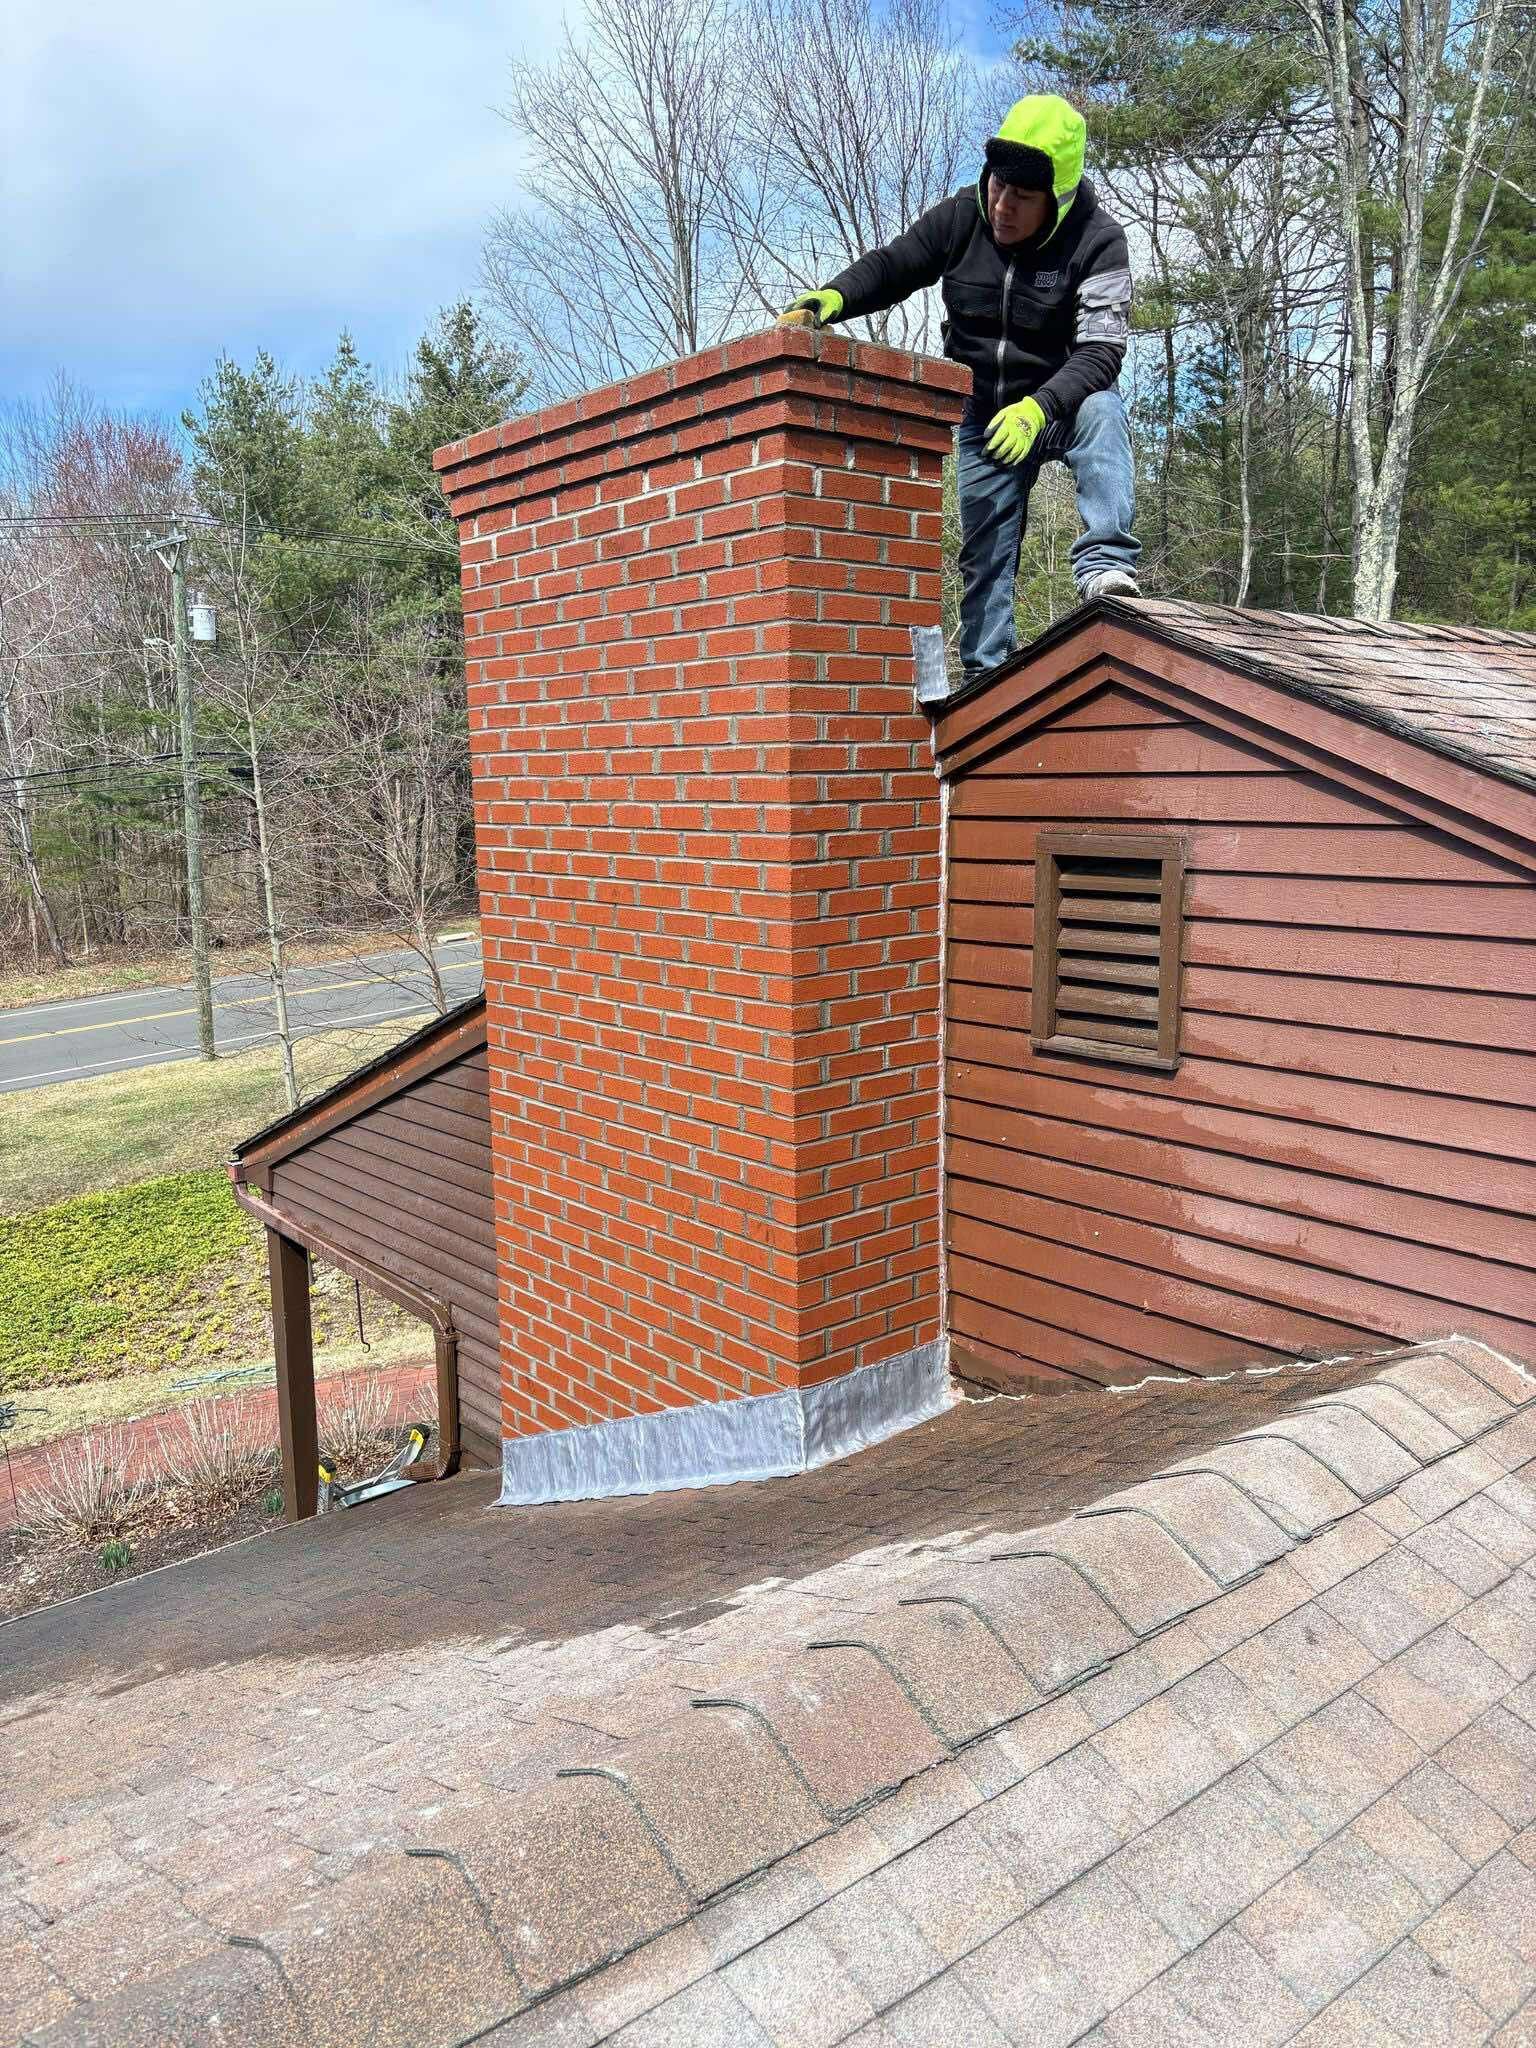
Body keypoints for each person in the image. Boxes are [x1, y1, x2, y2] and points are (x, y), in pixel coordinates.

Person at [779, 93, 1140, 683]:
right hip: (987, 415)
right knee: (985, 554)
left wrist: (1040, 406)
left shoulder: (1098, 240)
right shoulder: (961, 218)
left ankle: (1105, 567)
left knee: (1102, 411)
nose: (1003, 206)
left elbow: (1102, 351)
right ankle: (987, 680)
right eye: (998, 186)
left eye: (1022, 198)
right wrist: (833, 298)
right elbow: (896, 263)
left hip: (1057, 403)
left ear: (1059, 198)